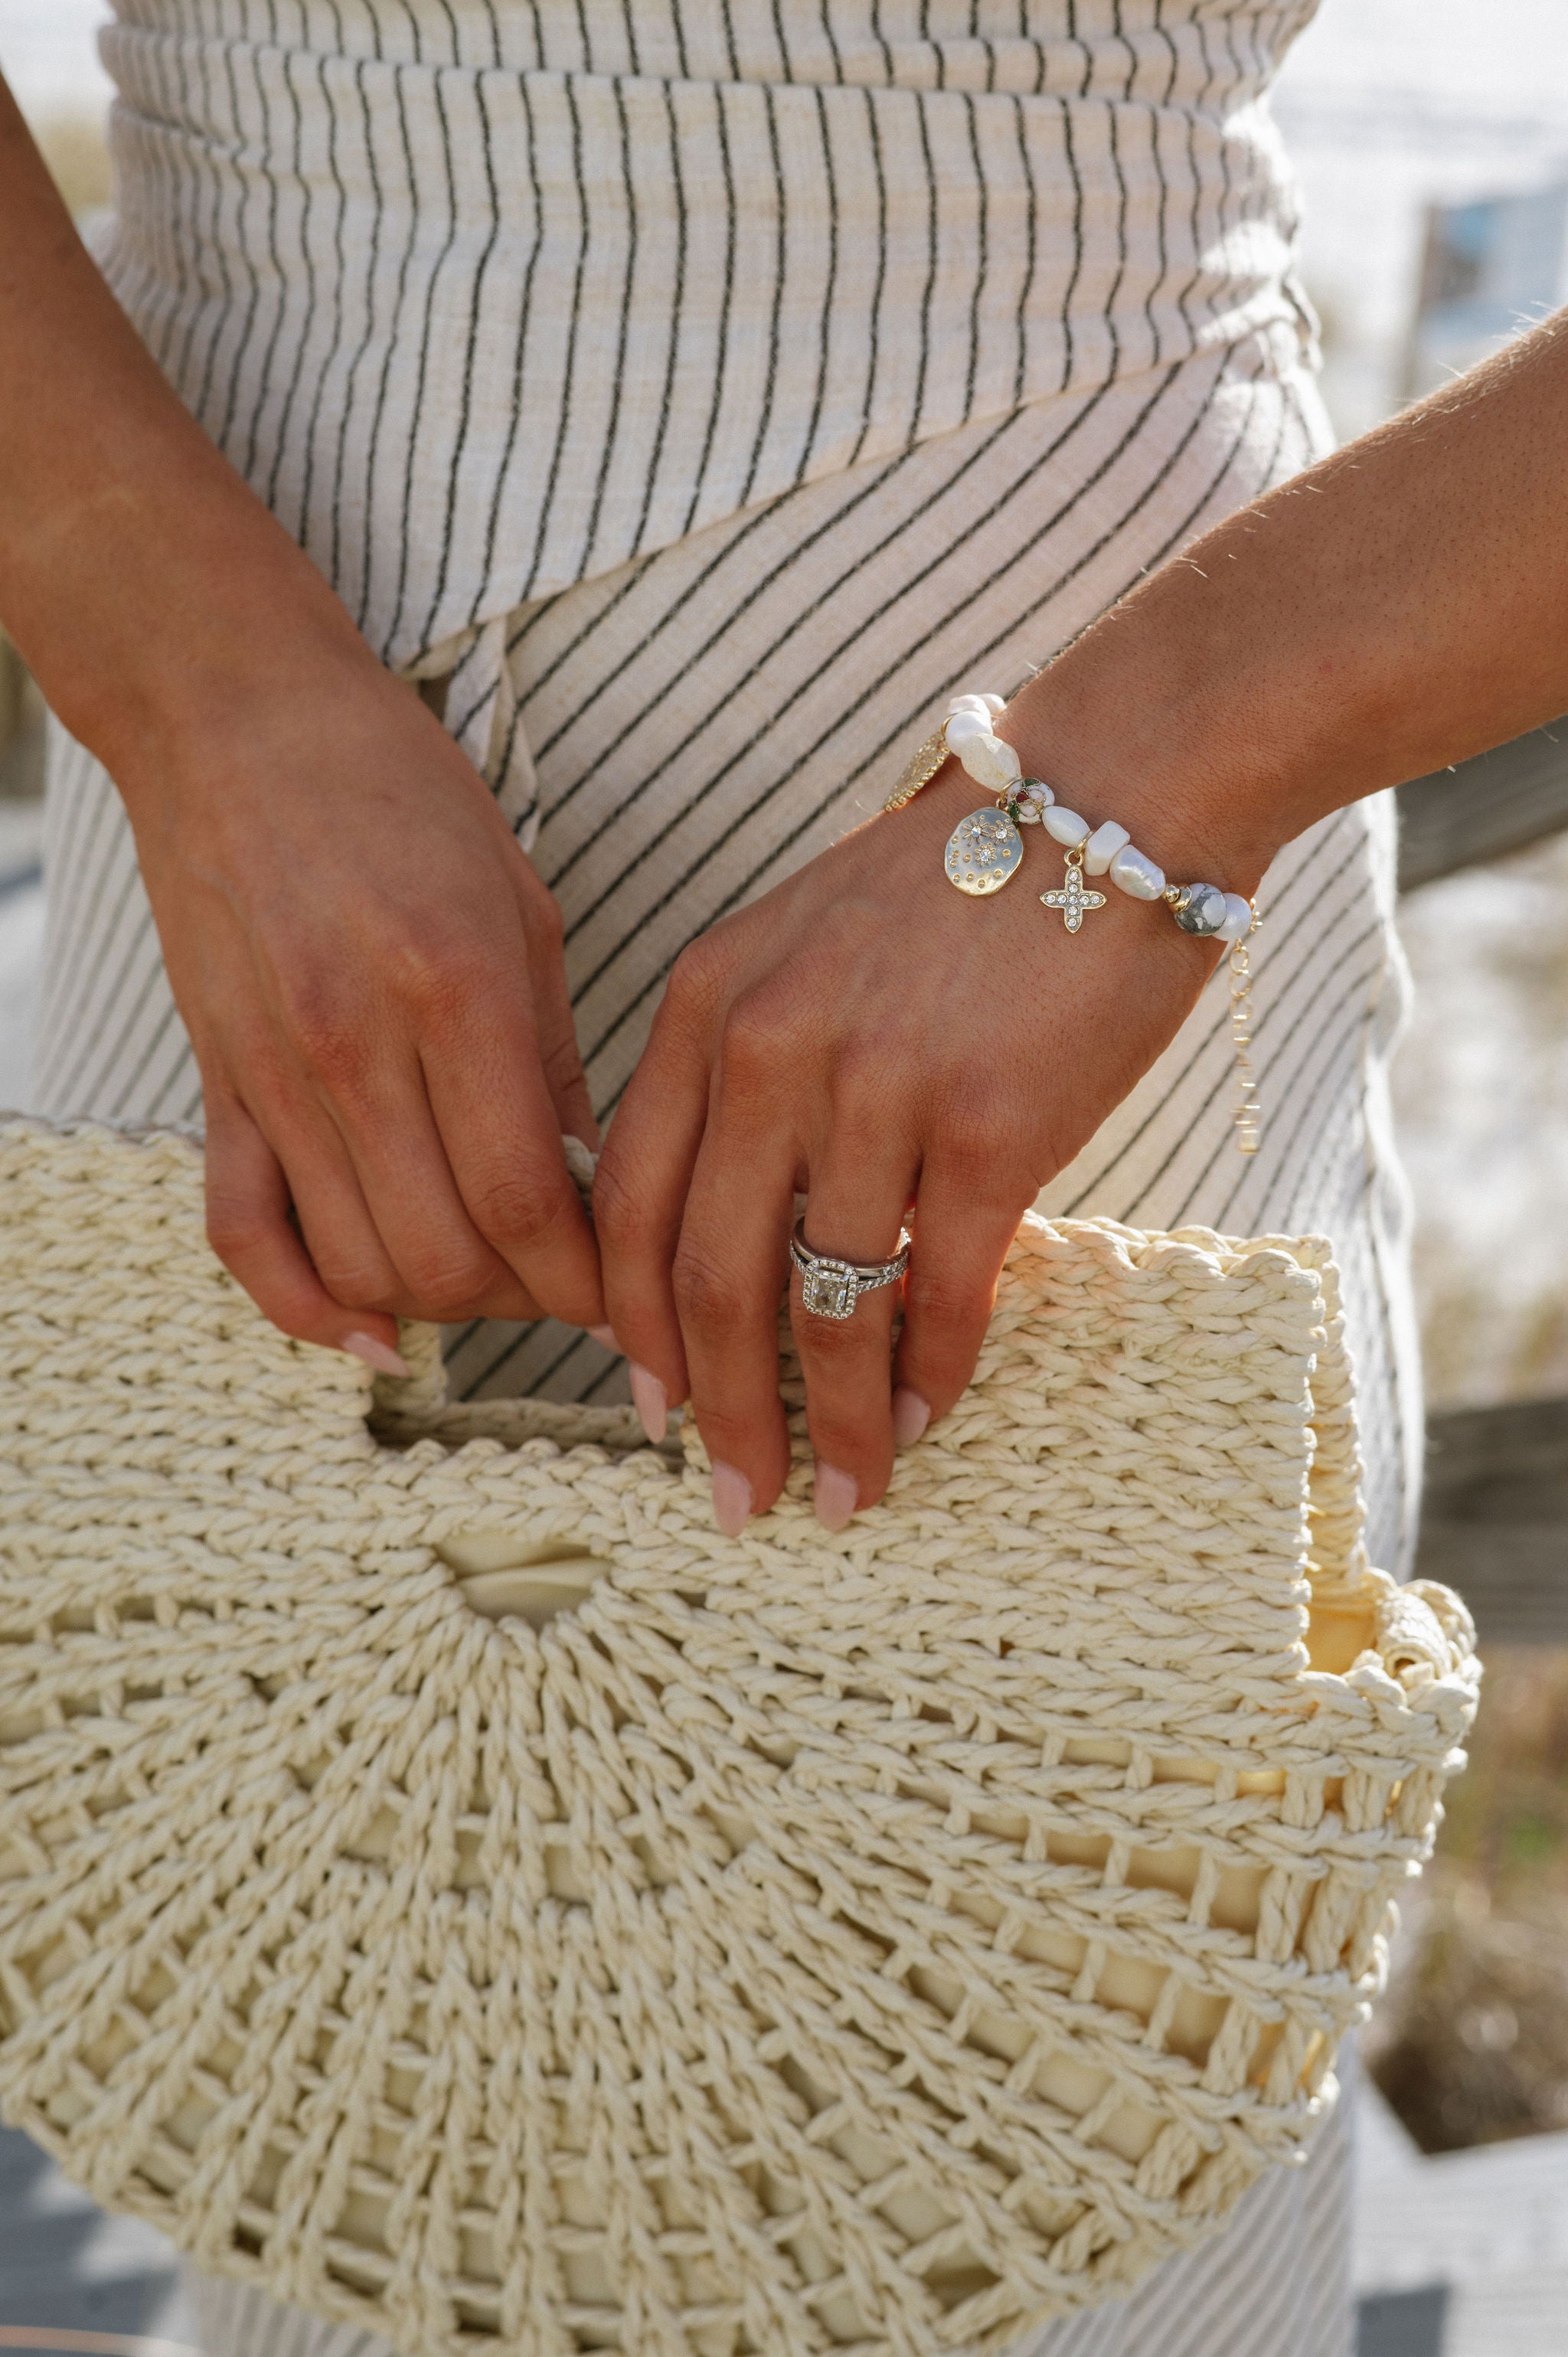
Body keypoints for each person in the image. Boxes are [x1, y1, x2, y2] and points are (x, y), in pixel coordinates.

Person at [5, 6, 1555, 2354]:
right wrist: (179, 672)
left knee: (1039, 2167)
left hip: (1046, 851)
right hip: (236, 810)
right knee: (339, 2127)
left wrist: (1154, 770)